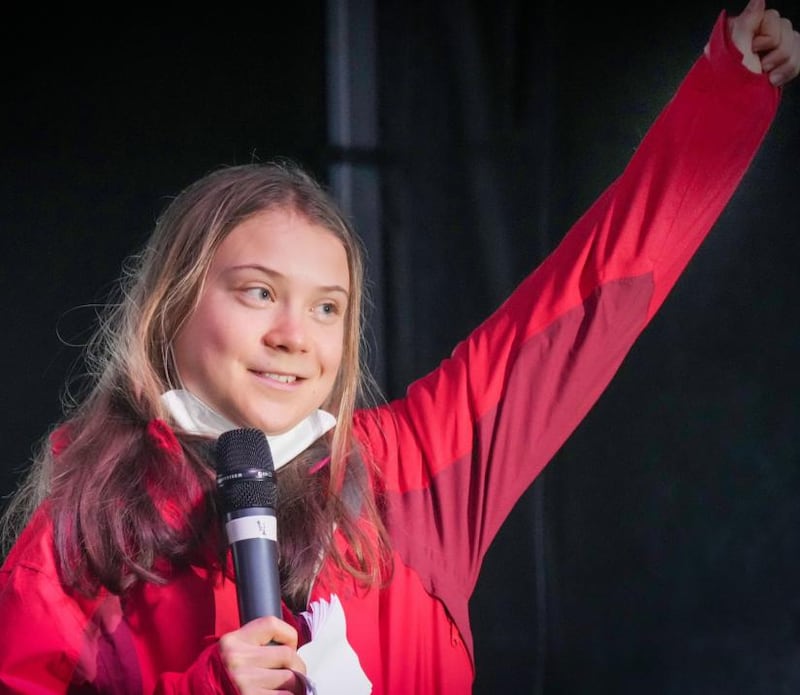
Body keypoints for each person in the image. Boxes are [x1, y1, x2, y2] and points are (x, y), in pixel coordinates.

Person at [0, 1, 798, 693]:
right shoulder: (83, 533)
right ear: (173, 305)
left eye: (327, 307)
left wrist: (726, 90)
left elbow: (597, 287)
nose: (294, 335)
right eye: (257, 291)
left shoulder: (418, 469)